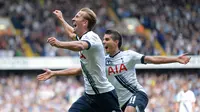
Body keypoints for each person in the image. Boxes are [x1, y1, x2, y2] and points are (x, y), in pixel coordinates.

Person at [37, 8, 121, 112]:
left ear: (85, 22)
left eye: (77, 17)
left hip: (105, 96)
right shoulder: (83, 38)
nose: (73, 19)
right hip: (89, 97)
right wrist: (54, 73)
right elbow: (72, 34)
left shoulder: (92, 37)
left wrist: (59, 44)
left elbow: (80, 45)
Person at [102, 29, 191, 112]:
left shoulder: (128, 55)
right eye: (103, 39)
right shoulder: (102, 61)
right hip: (120, 103)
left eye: (107, 39)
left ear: (116, 42)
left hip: (136, 94)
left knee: (129, 110)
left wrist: (176, 59)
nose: (103, 42)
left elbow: (152, 59)